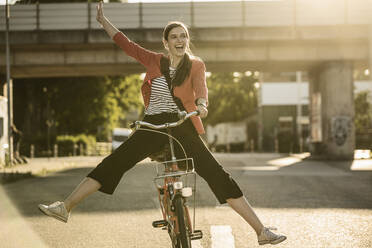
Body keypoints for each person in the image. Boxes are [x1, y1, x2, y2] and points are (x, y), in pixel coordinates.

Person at [38, 2, 286, 246]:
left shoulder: (196, 65)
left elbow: (201, 89)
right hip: (152, 125)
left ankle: (261, 231)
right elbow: (127, 45)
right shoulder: (155, 61)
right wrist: (104, 22)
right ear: (166, 43)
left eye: (184, 36)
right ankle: (65, 207)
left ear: (187, 40)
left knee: (217, 174)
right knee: (113, 163)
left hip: (182, 123)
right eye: (175, 37)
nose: (180, 40)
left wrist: (202, 105)